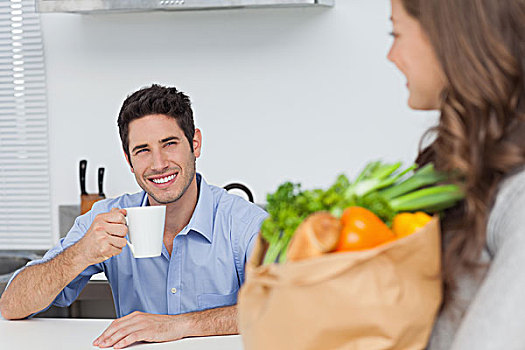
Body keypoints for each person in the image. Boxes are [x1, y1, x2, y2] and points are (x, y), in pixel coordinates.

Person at [0, 84, 268, 349]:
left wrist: (179, 324)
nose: (158, 163)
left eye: (169, 144)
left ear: (195, 144)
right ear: (129, 160)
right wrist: (81, 253)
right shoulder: (105, 217)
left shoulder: (245, 224)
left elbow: (286, 308)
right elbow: (12, 306)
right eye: (143, 150)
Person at [388, 0, 525, 348]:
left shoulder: (518, 195)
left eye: (397, 33)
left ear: (446, 38)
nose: (392, 55)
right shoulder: (460, 171)